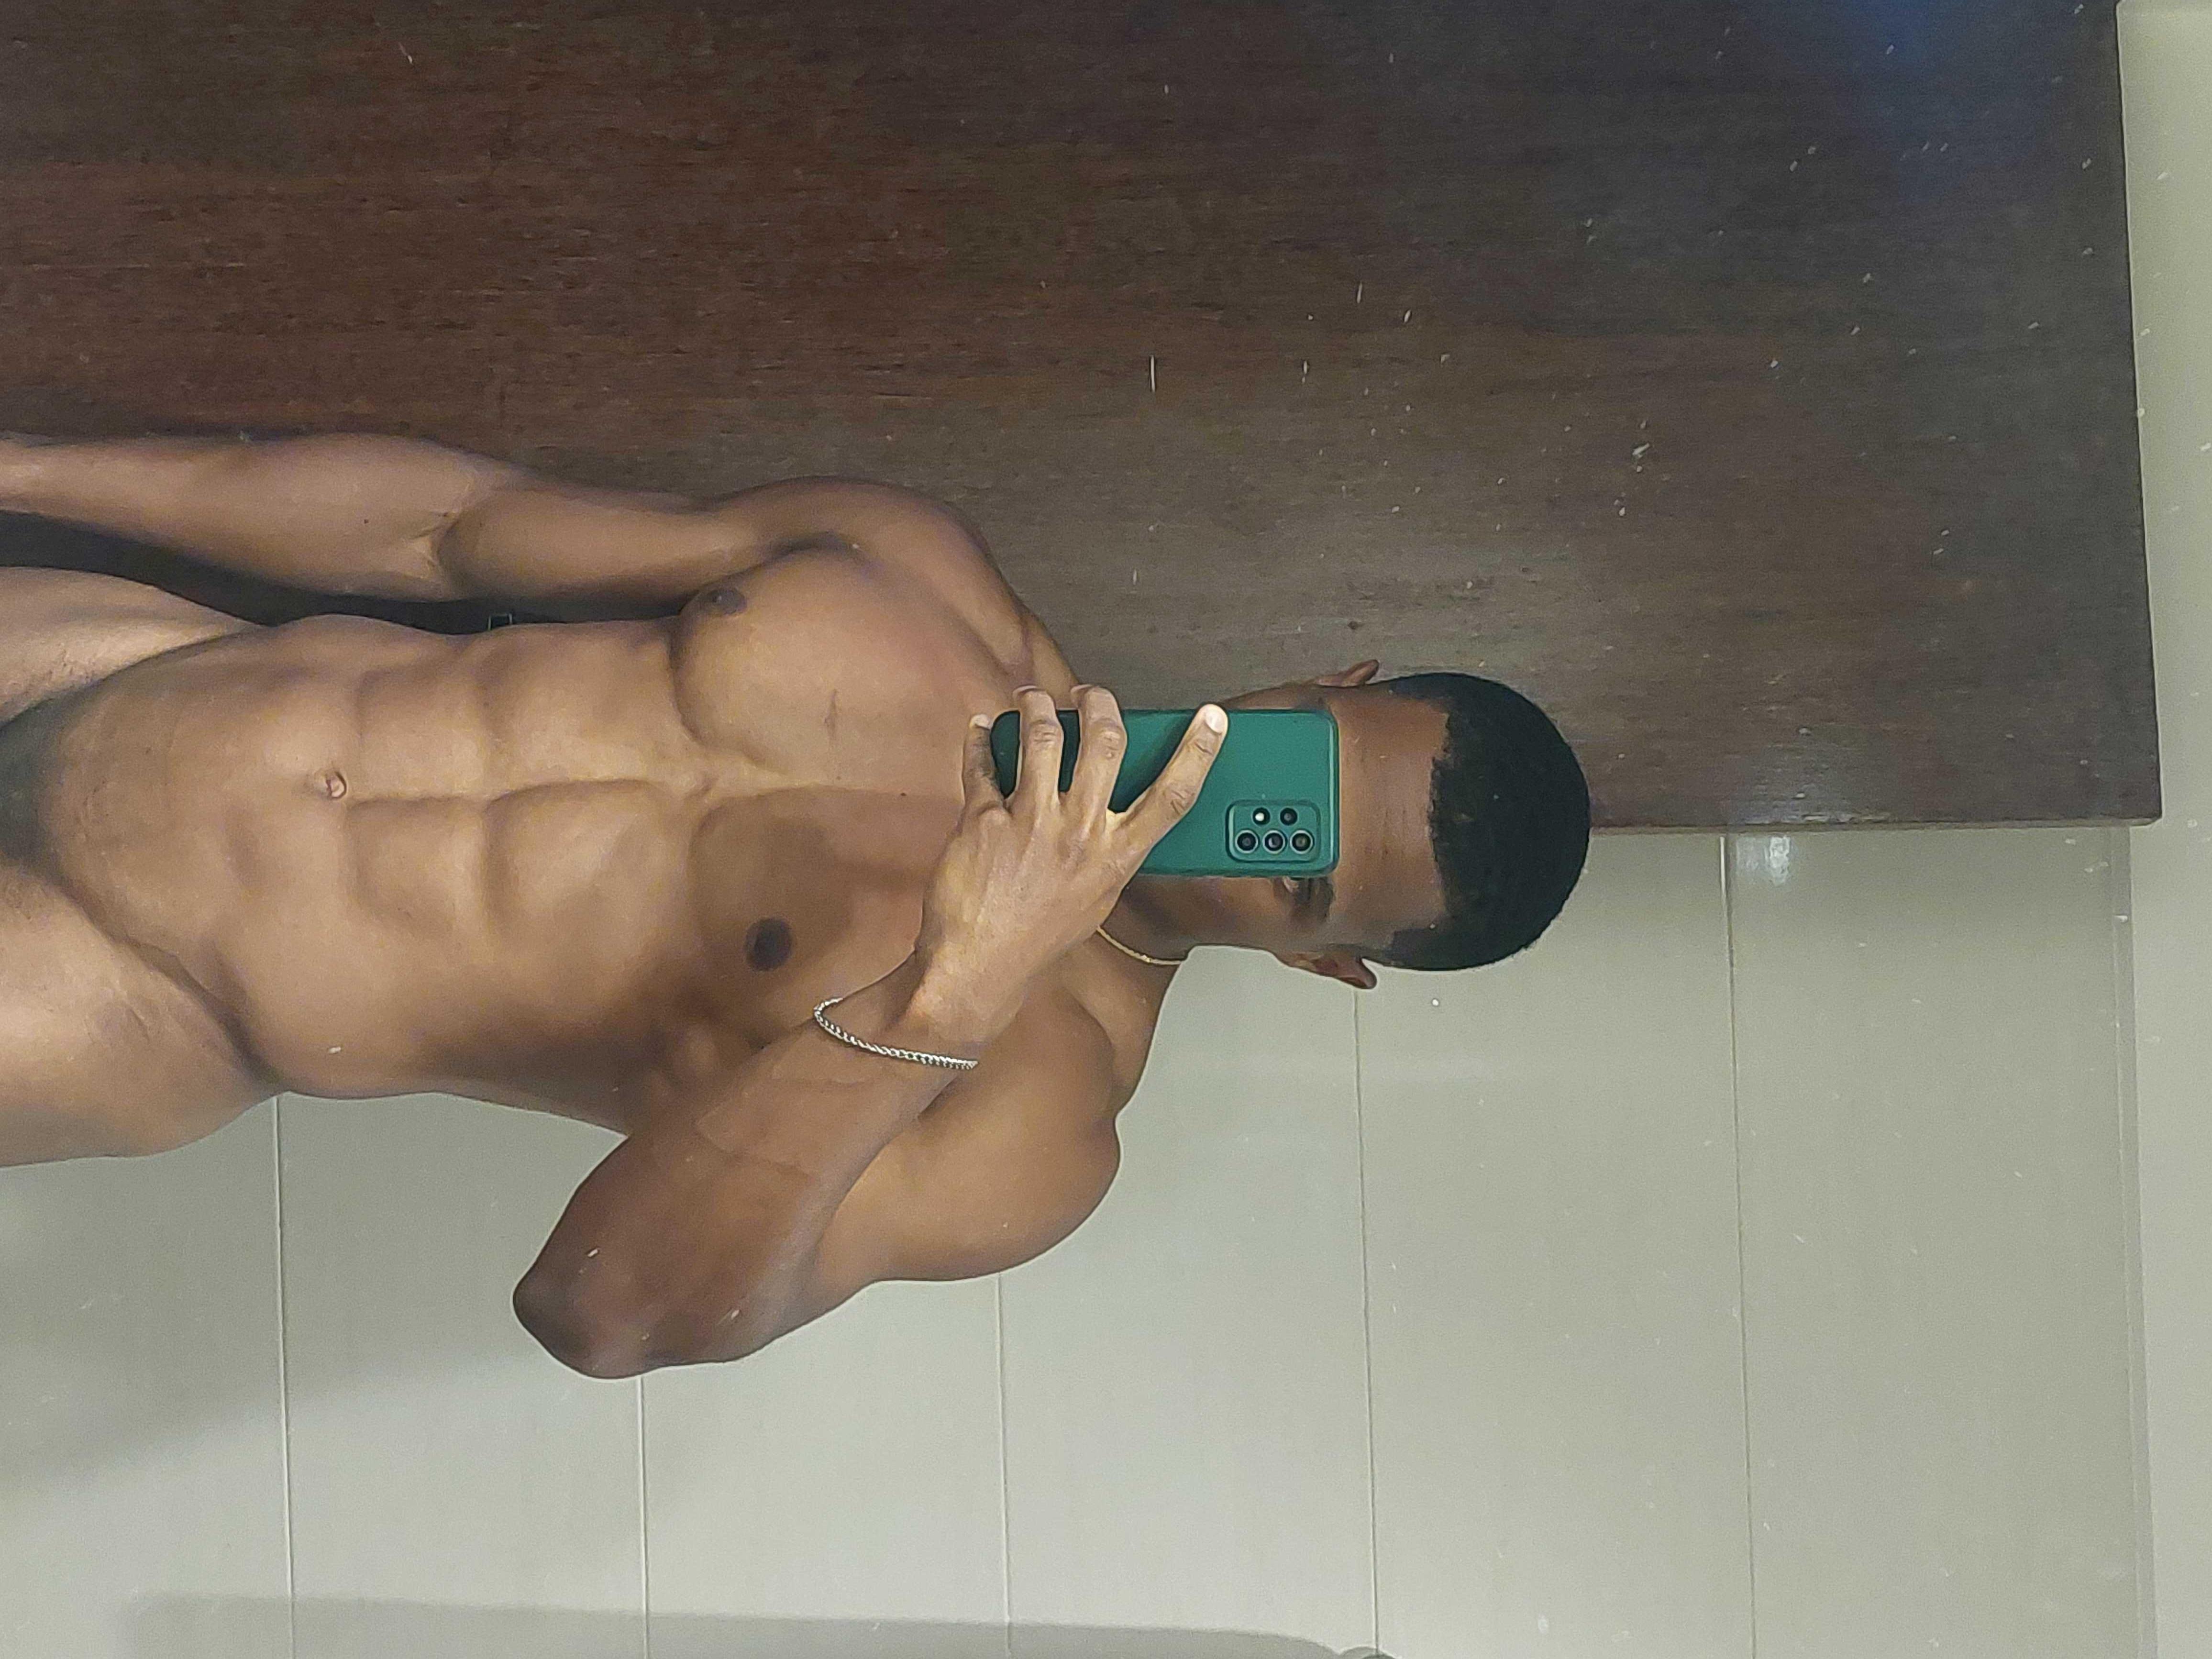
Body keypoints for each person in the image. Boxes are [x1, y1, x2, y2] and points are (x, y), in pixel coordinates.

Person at [0, 432, 1590, 1376]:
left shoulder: (1036, 1121)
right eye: (1302, 762)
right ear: (1319, 677)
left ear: (1325, 960)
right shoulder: (919, 578)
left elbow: (601, 1312)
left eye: (1297, 874)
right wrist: (28, 463)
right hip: (120, 659)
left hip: (126, 994)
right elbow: (452, 527)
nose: (1236, 821)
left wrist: (951, 992)